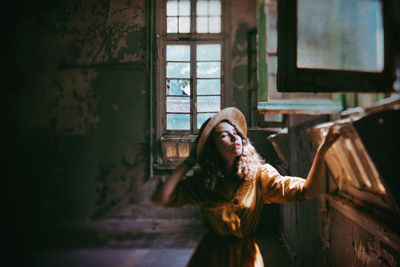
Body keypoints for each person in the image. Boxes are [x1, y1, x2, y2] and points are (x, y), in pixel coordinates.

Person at [152, 107, 340, 267]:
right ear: (213, 146)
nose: (236, 138)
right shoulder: (205, 181)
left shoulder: (260, 175)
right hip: (211, 256)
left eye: (237, 134)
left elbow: (307, 191)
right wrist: (189, 163)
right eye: (225, 135)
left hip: (245, 257)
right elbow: (161, 198)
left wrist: (321, 152)